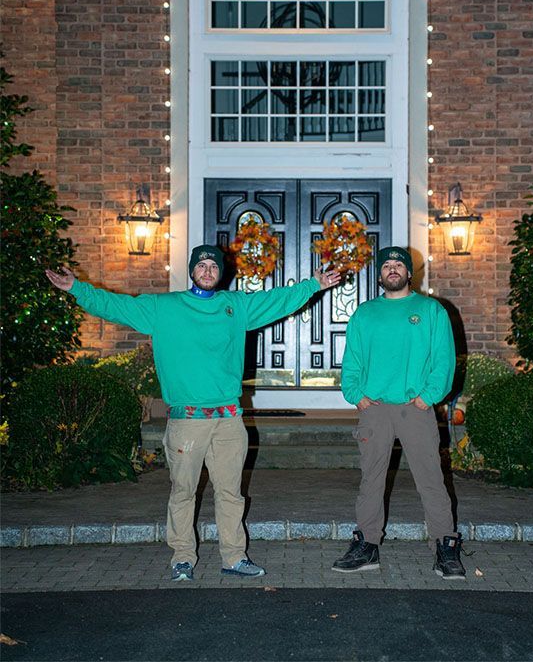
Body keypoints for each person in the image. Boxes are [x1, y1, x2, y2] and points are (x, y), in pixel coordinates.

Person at [46, 245, 341, 582]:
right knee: (183, 492)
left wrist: (313, 285)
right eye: (201, 264)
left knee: (231, 493)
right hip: (188, 420)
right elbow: (117, 306)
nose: (207, 269)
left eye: (212, 265)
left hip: (229, 419)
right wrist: (76, 289)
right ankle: (182, 557)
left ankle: (234, 557)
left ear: (220, 272)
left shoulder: (236, 306)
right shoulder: (164, 308)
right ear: (192, 270)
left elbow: (276, 300)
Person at [331, 246, 466, 580]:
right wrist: (356, 396)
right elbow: (353, 360)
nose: (392, 269)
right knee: (371, 480)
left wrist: (428, 397)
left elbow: (443, 359)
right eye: (386, 265)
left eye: (398, 265)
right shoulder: (365, 313)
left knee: (431, 480)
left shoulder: (430, 310)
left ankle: (445, 547)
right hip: (374, 410)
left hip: (414, 409)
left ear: (409, 273)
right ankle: (367, 545)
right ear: (379, 275)